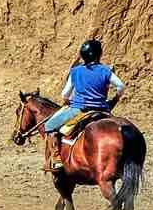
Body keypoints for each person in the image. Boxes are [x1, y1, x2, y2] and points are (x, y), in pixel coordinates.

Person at [41, 40, 124, 172]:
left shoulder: (76, 71)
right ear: (99, 54)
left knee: (49, 126)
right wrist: (117, 97)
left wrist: (67, 101)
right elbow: (120, 86)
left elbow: (65, 94)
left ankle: (56, 158)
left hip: (80, 109)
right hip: (102, 109)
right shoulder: (105, 70)